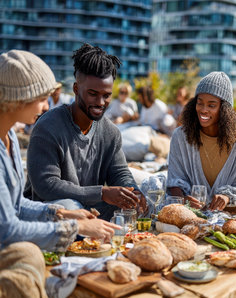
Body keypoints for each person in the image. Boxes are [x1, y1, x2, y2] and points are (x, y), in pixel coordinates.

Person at [0, 50, 120, 297]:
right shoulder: (46, 126)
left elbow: (14, 204)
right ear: (18, 99)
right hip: (12, 237)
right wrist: (71, 226)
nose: (46, 105)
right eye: (41, 98)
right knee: (30, 255)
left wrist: (62, 213)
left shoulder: (10, 136)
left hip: (32, 223)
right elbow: (7, 229)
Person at [25, 43, 147, 221]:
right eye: (93, 94)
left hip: (91, 208)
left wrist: (131, 192)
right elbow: (46, 186)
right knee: (70, 207)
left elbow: (119, 172)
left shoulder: (110, 132)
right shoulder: (47, 127)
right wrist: (102, 193)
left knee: (146, 202)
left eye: (106, 95)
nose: (100, 102)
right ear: (76, 89)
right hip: (51, 211)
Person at [166, 72, 236, 214]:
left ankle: (232, 215)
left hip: (229, 206)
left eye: (211, 105)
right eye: (200, 103)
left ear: (224, 109)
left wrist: (226, 197)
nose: (203, 110)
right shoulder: (180, 137)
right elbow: (174, 180)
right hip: (191, 209)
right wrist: (182, 199)